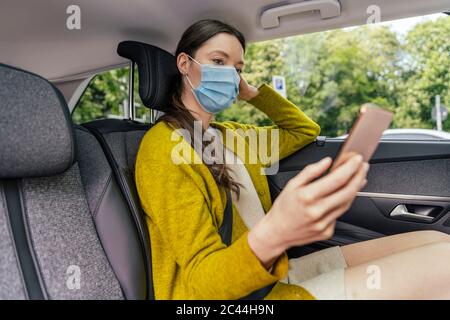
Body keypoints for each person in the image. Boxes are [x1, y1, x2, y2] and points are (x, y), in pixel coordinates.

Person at [135, 19, 450, 300]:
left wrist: (253, 94)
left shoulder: (232, 136)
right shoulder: (163, 149)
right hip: (242, 296)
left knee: (437, 240)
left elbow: (303, 131)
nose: (229, 74)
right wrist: (278, 231)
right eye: (218, 61)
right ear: (184, 64)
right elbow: (202, 286)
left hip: (275, 273)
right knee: (444, 266)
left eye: (238, 69)